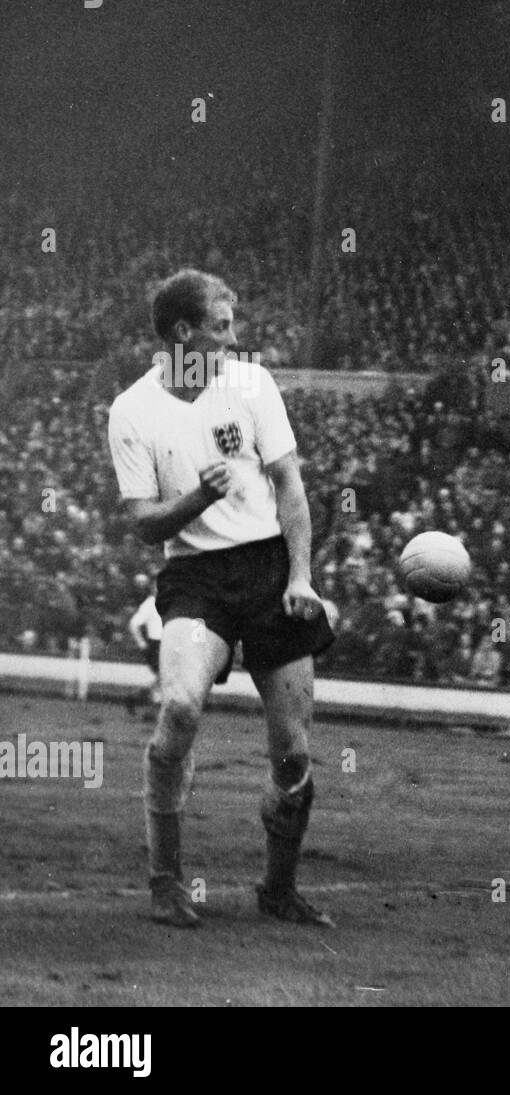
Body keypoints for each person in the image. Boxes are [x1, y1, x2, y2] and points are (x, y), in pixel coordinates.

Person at [107, 269, 336, 930]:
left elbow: (290, 487)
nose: (236, 338)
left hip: (268, 567)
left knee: (292, 752)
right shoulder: (133, 409)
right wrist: (199, 499)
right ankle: (165, 880)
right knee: (178, 709)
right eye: (223, 324)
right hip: (194, 575)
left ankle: (278, 889)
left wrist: (300, 577)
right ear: (184, 332)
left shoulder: (251, 384)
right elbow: (146, 524)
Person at [126, 574, 162, 718]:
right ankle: (151, 711)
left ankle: (134, 699)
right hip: (156, 646)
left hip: (167, 645)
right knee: (165, 678)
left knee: (164, 680)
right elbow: (133, 624)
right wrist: (141, 643)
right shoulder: (149, 604)